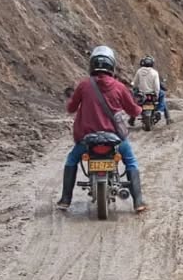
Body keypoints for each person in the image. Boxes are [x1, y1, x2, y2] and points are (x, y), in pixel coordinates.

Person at [58, 45, 147, 213]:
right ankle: (138, 201)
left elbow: (71, 108)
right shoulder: (119, 87)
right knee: (130, 161)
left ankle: (65, 199)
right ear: (112, 65)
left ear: (92, 65)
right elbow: (134, 111)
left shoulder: (84, 86)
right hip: (115, 139)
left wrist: (72, 101)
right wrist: (139, 109)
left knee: (71, 160)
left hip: (87, 139)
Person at [133, 56, 171, 124]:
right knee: (162, 95)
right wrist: (157, 94)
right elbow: (157, 86)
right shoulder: (154, 72)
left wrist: (135, 88)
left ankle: (132, 118)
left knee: (133, 101)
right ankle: (160, 112)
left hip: (141, 94)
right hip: (152, 94)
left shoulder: (139, 71)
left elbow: (135, 83)